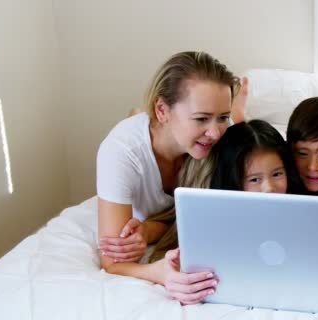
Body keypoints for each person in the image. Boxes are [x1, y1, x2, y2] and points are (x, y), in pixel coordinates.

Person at [96, 51, 239, 305]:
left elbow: (182, 217)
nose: (216, 133)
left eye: (223, 117)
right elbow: (112, 262)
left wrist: (149, 230)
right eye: (202, 118)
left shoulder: (216, 144)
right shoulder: (120, 152)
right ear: (162, 109)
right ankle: (135, 115)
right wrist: (159, 272)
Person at [146, 119, 304, 264]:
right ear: (234, 182)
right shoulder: (215, 217)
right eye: (255, 179)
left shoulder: (300, 207)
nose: (269, 188)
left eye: (277, 174)